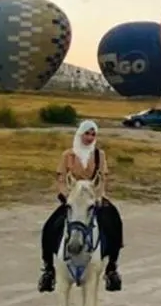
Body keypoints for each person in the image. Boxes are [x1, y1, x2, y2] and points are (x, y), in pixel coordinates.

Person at [38, 119, 125, 294]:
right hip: (72, 198)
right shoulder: (67, 155)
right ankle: (48, 270)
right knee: (50, 226)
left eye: (93, 134)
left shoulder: (100, 155)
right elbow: (61, 178)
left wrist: (98, 197)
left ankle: (112, 269)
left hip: (93, 198)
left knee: (114, 222)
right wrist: (66, 195)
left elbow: (102, 178)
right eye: (87, 133)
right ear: (80, 134)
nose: (90, 137)